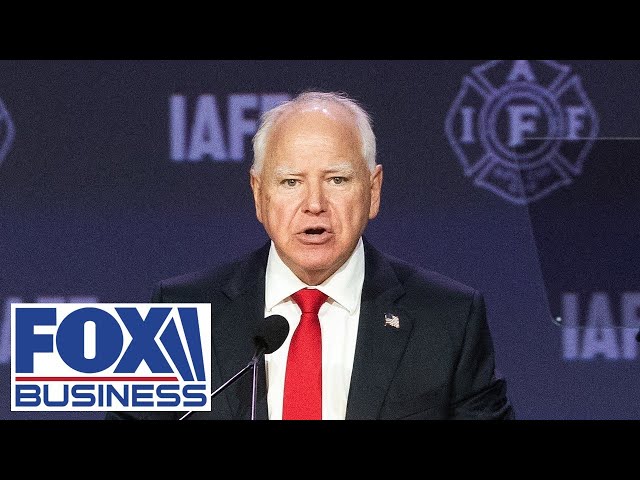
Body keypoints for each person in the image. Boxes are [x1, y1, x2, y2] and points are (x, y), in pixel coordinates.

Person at [106, 90, 514, 420]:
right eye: (290, 182)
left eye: (337, 179)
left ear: (373, 191)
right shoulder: (182, 311)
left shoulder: (448, 318)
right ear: (259, 195)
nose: (314, 204)